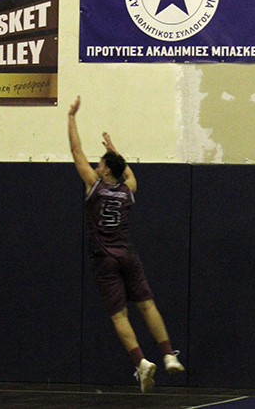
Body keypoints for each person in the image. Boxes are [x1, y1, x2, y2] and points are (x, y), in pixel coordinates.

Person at [67, 96, 184, 393]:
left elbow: (76, 151)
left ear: (105, 171)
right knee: (147, 305)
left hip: (104, 258)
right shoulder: (127, 190)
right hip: (128, 255)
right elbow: (129, 173)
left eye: (101, 163)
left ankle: (141, 362)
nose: (97, 164)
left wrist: (71, 117)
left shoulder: (94, 186)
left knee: (119, 315)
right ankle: (168, 355)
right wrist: (115, 151)